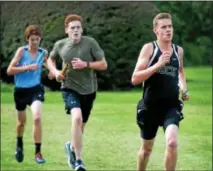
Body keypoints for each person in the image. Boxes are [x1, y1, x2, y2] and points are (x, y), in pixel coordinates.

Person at [47, 14, 107, 171]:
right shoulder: (60, 45)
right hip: (69, 88)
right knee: (77, 117)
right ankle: (79, 161)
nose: (76, 30)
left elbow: (103, 64)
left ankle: (71, 147)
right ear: (66, 30)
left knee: (81, 126)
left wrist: (85, 64)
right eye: (72, 28)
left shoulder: (91, 43)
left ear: (82, 29)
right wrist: (56, 72)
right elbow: (50, 60)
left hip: (89, 90)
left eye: (78, 28)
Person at [131, 13, 189, 171]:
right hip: (150, 108)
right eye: (164, 27)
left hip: (171, 107)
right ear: (155, 30)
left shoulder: (179, 51)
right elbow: (135, 78)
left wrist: (184, 88)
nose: (168, 30)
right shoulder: (149, 49)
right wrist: (158, 65)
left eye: (170, 26)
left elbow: (181, 72)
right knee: (146, 151)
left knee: (172, 142)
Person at [7, 24, 54, 164]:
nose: (34, 42)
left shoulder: (43, 53)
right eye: (32, 39)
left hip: (35, 89)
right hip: (21, 91)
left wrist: (53, 73)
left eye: (37, 39)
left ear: (40, 39)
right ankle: (19, 144)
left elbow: (50, 67)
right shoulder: (21, 51)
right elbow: (10, 70)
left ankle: (38, 153)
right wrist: (27, 67)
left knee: (37, 117)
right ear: (27, 39)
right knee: (21, 123)